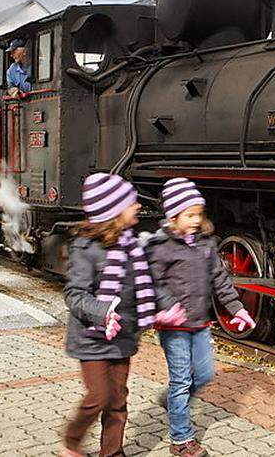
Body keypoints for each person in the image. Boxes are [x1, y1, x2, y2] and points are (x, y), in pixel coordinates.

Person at [62, 173, 186, 457]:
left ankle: (113, 452)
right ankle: (71, 441)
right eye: (132, 203)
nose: (138, 207)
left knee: (117, 399)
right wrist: (102, 312)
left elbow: (151, 283)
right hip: (91, 338)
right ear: (114, 211)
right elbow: (75, 295)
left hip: (123, 336)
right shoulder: (85, 248)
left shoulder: (134, 247)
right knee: (98, 397)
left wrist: (168, 306)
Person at [145, 177, 255, 457]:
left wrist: (237, 309)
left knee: (205, 375)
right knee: (181, 381)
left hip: (201, 323)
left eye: (198, 214)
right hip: (174, 327)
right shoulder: (161, 246)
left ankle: (172, 401)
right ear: (173, 215)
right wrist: (168, 306)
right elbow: (152, 281)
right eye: (189, 215)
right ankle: (181, 439)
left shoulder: (206, 243)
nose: (195, 220)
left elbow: (219, 279)